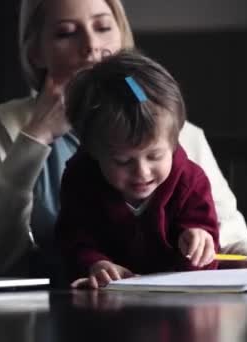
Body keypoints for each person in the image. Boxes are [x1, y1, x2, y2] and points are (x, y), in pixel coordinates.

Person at [0, 0, 247, 280]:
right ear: (34, 51)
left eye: (103, 27)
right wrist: (35, 136)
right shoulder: (2, 129)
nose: (92, 46)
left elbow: (224, 234)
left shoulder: (176, 134)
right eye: (66, 33)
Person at [57, 50, 220, 288]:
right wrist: (96, 264)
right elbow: (72, 241)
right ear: (93, 151)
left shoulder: (190, 180)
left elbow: (208, 253)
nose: (142, 172)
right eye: (123, 161)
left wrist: (199, 240)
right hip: (105, 306)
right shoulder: (80, 178)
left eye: (155, 156)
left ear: (173, 143)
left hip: (176, 301)